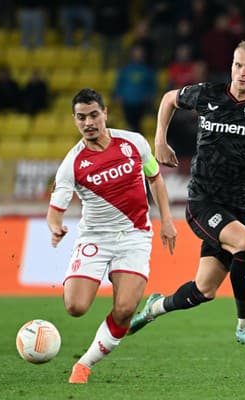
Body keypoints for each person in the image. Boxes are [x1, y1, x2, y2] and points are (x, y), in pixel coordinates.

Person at [128, 40, 245, 354]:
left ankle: (155, 307)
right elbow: (169, 99)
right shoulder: (209, 94)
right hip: (204, 201)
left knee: (204, 290)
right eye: (237, 65)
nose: (241, 73)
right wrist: (159, 138)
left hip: (239, 205)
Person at [46, 88, 177, 383]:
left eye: (93, 115)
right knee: (75, 307)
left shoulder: (134, 143)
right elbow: (55, 209)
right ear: (75, 120)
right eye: (81, 117)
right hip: (94, 238)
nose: (88, 122)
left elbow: (155, 178)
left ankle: (84, 364)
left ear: (105, 113)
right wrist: (55, 226)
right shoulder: (72, 164)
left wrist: (167, 220)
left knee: (125, 310)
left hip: (134, 236)